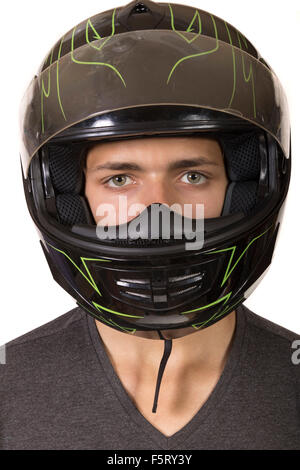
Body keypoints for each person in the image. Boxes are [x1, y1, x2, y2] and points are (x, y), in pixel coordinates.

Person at [1, 0, 299, 450]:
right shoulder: (9, 384)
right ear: (68, 198)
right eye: (120, 179)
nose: (157, 211)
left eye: (192, 176)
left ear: (248, 186)